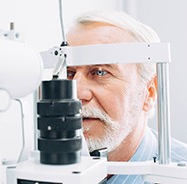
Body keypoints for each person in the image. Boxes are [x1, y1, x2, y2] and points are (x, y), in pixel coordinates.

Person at [66, 10, 187, 183]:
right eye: (69, 73)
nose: (76, 94)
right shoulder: (36, 170)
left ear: (149, 93)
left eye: (100, 72)